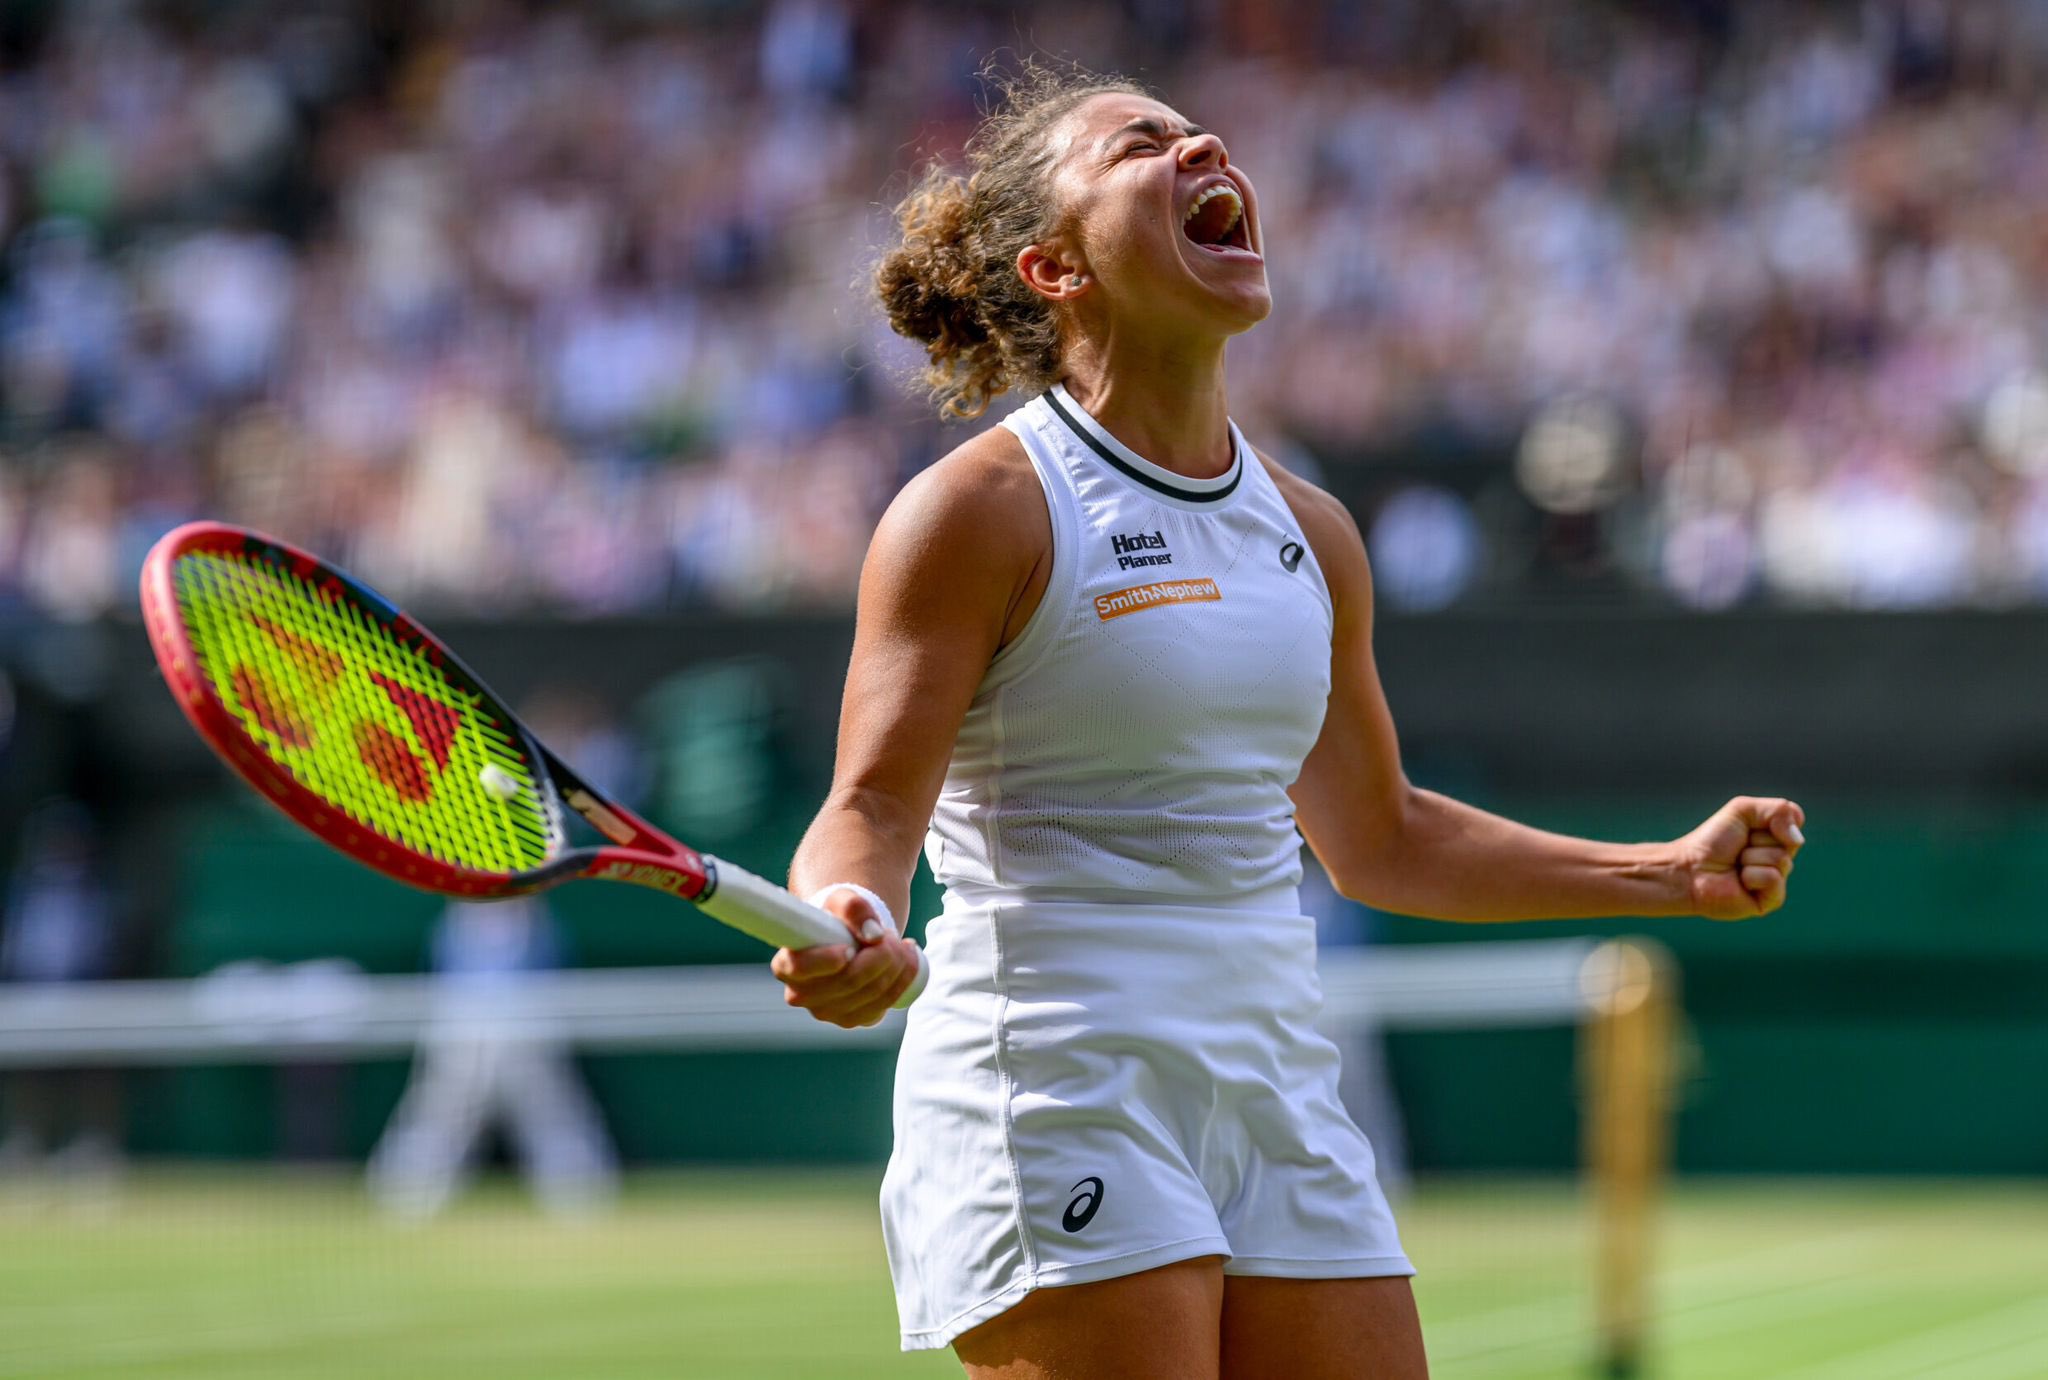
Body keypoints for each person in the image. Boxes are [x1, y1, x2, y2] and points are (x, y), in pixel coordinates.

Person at [771, 68, 1805, 1380]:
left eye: (1195, 131)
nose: (1199, 140)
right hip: (1059, 1078)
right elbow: (866, 811)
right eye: (1139, 145)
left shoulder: (1313, 534)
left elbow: (1380, 837)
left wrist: (1664, 873)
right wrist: (849, 907)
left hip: (1274, 1080)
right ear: (1053, 267)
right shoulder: (980, 510)